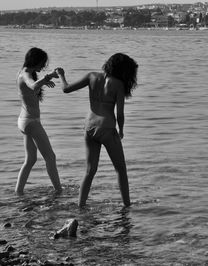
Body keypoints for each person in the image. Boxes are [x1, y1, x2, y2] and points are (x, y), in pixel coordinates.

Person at [57, 53, 138, 207]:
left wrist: (61, 75)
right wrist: (120, 130)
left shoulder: (91, 76)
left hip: (89, 127)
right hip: (107, 128)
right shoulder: (118, 84)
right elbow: (119, 114)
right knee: (120, 169)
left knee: (89, 171)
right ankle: (127, 207)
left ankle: (81, 206)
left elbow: (66, 89)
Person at [16, 47, 62, 195]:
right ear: (35, 61)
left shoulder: (25, 72)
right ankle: (58, 191)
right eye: (42, 63)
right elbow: (33, 85)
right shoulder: (25, 74)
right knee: (50, 157)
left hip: (25, 121)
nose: (43, 66)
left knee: (30, 160)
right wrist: (48, 76)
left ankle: (18, 192)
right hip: (31, 122)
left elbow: (34, 87)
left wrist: (43, 81)